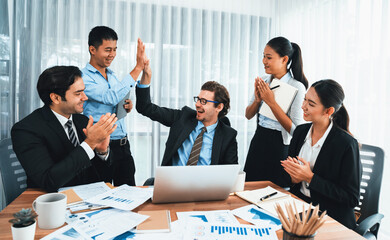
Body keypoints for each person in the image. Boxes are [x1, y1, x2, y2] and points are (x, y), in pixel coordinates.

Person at [11, 66, 117, 192]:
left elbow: (103, 180)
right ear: (56, 98)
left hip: (86, 201)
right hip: (50, 203)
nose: (85, 97)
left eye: (83, 91)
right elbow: (48, 181)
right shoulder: (26, 130)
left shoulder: (82, 121)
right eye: (78, 93)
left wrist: (101, 152)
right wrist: (90, 143)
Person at [281, 79, 362, 229]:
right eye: (305, 100)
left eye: (311, 104)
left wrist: (310, 178)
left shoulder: (346, 144)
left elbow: (351, 198)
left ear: (328, 111)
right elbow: (288, 179)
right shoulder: (300, 132)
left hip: (331, 217)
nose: (303, 106)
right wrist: (292, 177)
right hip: (300, 209)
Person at [136, 60, 238, 168]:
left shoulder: (228, 135)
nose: (197, 104)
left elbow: (230, 174)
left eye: (203, 101)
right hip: (174, 182)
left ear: (219, 107)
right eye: (198, 99)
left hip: (205, 184)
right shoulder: (183, 117)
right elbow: (145, 107)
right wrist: (146, 76)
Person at [82, 26, 146, 186]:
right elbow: (110, 97)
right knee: (101, 196)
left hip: (123, 145)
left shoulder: (112, 75)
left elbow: (117, 97)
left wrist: (127, 105)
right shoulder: (83, 78)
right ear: (92, 49)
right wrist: (138, 67)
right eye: (108, 50)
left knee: (130, 195)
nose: (112, 55)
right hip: (101, 147)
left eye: (115, 49)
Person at [244, 36, 308, 186]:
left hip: (279, 147)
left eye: (269, 57)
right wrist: (258, 100)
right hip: (258, 141)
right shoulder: (264, 81)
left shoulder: (297, 87)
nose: (264, 61)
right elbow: (248, 115)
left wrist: (271, 102)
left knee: (274, 193)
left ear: (284, 59)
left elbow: (296, 131)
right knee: (248, 188)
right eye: (263, 57)